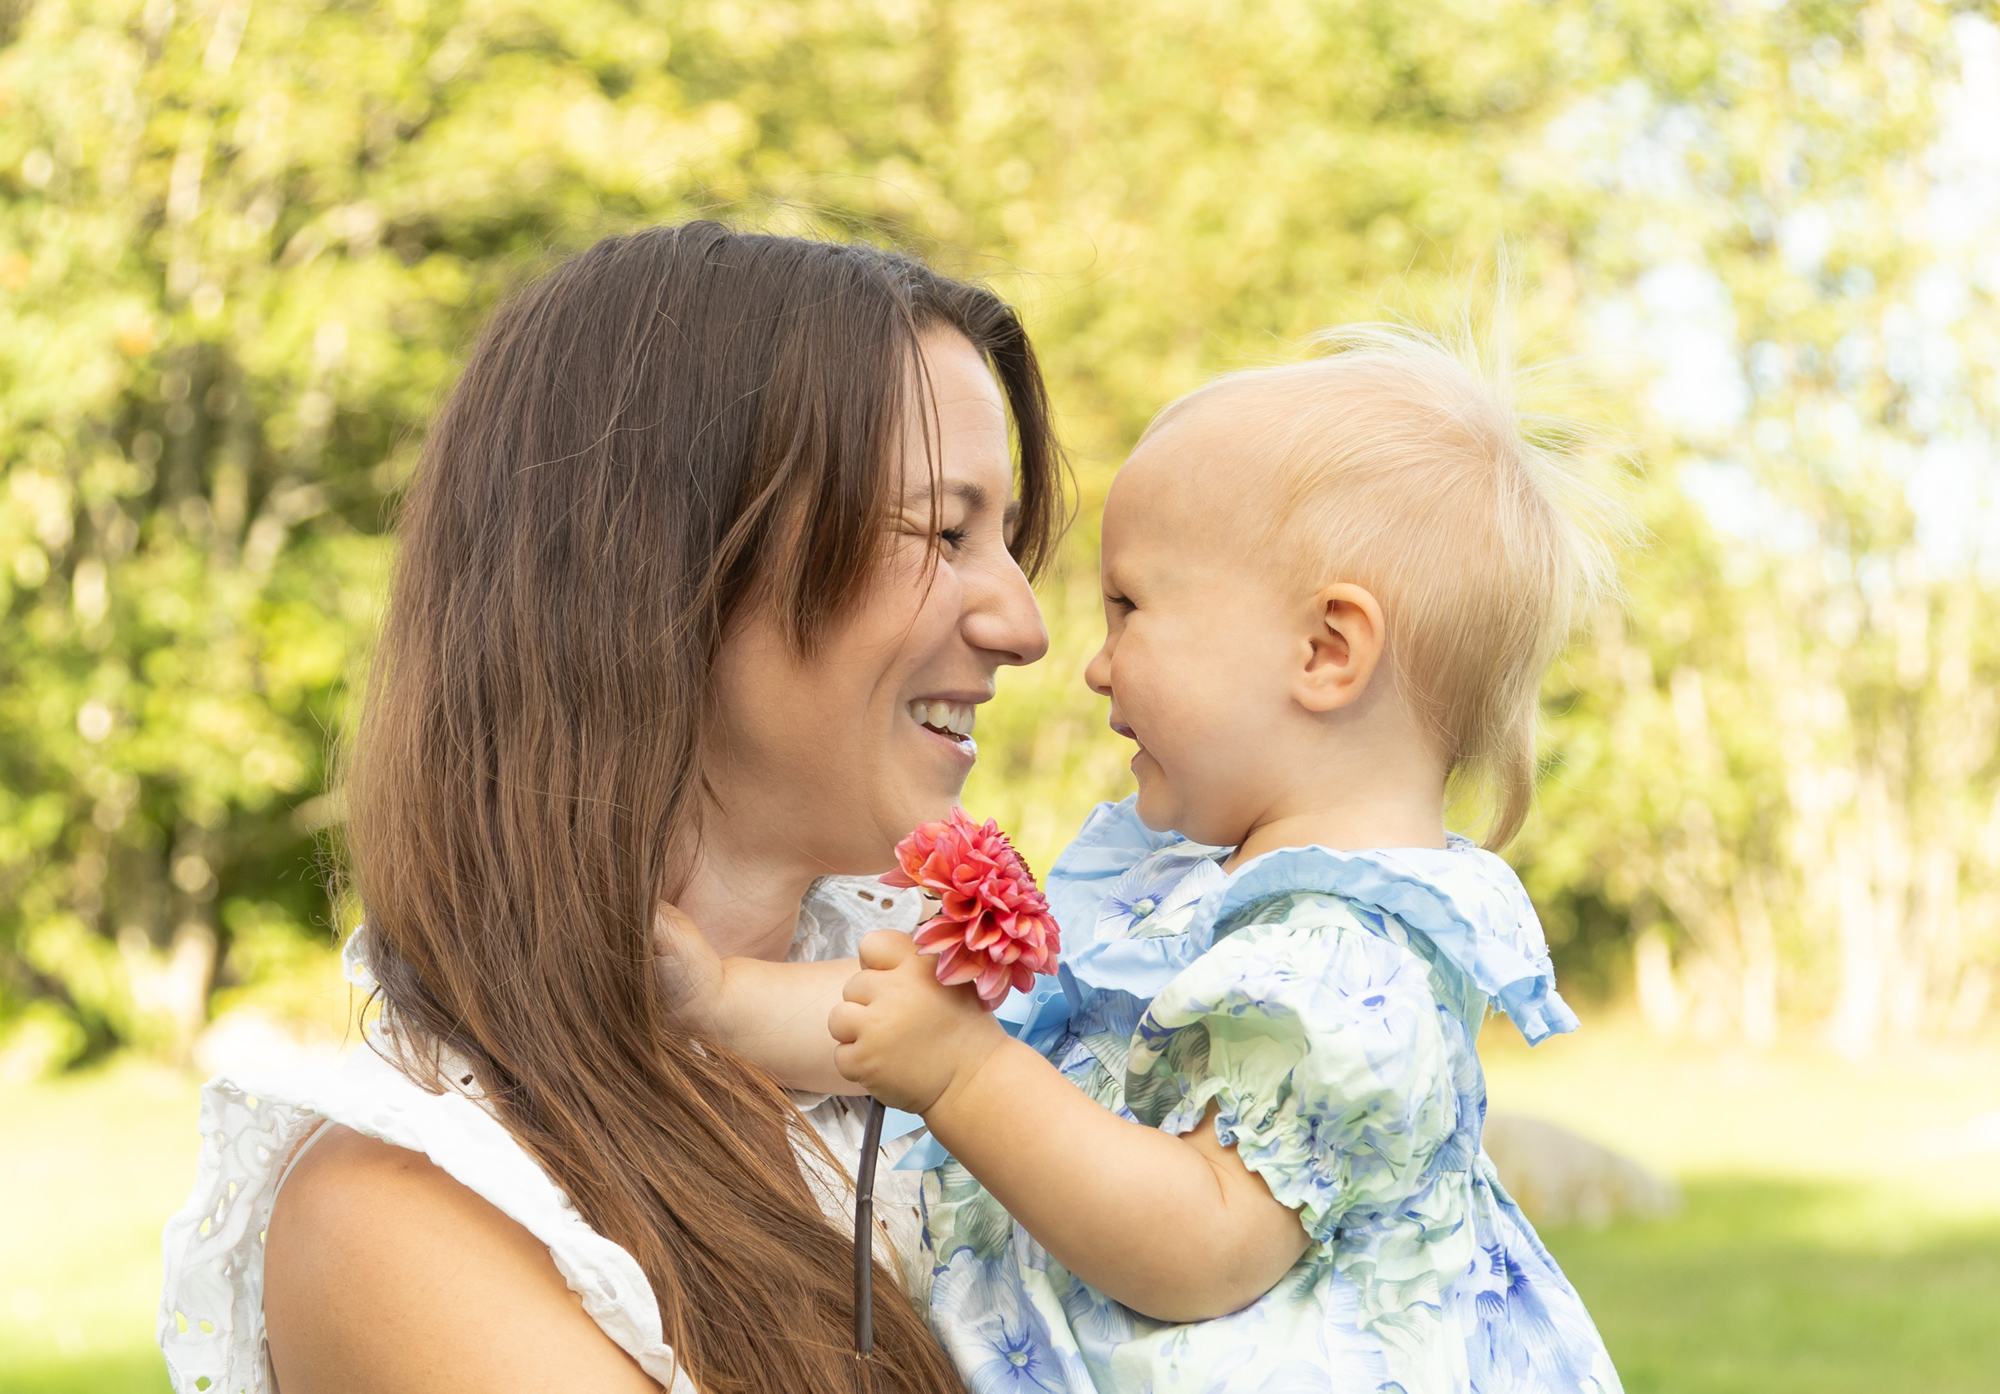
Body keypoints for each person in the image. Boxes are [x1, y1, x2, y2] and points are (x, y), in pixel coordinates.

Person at [156, 222, 1066, 1394]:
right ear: (663, 568)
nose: (1023, 625)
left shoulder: (970, 1050)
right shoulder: (414, 1213)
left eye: (1004, 540)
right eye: (942, 532)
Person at [702, 324, 1627, 1392]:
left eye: (1130, 607)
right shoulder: (1198, 898)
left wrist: (963, 1073)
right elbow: (907, 1010)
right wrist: (714, 994)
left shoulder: (1347, 964)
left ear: (1325, 651)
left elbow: (1202, 1244)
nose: (1092, 665)